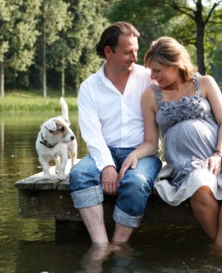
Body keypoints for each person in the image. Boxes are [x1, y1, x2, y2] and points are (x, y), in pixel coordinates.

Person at [120, 36, 222, 249]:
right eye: (150, 70)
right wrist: (134, 155)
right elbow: (152, 143)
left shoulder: (205, 83)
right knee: (199, 186)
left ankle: (220, 251)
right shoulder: (150, 96)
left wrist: (219, 154)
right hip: (187, 161)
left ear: (175, 64)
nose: (152, 76)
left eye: (157, 70)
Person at [69, 22, 162, 246]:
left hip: (142, 153)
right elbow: (91, 134)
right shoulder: (89, 87)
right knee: (79, 174)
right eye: (128, 52)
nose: (134, 57)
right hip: (105, 149)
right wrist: (107, 166)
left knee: (136, 182)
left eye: (136, 51)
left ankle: (119, 245)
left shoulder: (149, 79)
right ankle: (100, 246)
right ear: (108, 51)